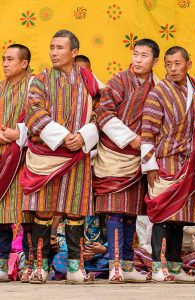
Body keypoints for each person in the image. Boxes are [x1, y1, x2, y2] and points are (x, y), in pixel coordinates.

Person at [21, 29, 100, 284]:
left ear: (74, 52)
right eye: (52, 47)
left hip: (78, 155)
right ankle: (40, 267)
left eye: (60, 48)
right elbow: (33, 112)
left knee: (76, 212)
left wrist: (86, 134)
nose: (54, 52)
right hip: (48, 156)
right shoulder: (40, 79)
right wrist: (66, 137)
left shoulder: (89, 79)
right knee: (43, 211)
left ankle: (76, 270)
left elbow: (104, 111)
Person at [93, 38, 159, 283]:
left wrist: (143, 146)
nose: (138, 60)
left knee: (131, 212)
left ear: (154, 61)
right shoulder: (118, 81)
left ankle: (128, 265)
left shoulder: (158, 86)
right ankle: (115, 266)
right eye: (135, 54)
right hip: (114, 154)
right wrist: (131, 139)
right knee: (115, 212)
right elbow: (104, 113)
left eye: (144, 56)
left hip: (139, 157)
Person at [141, 46, 195, 283]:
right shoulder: (158, 93)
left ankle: (175, 267)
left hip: (186, 163)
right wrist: (150, 166)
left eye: (178, 63)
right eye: (168, 64)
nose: (173, 68)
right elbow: (147, 132)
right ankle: (157, 266)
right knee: (161, 216)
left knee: (179, 217)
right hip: (164, 161)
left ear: (188, 64)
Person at [0, 44, 33, 282]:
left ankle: (32, 264)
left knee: (28, 212)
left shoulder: (35, 89)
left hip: (26, 158)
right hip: (2, 158)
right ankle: (2, 264)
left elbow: (44, 118)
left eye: (10, 59)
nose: (5, 64)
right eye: (3, 59)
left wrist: (18, 134)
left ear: (24, 63)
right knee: (1, 213)